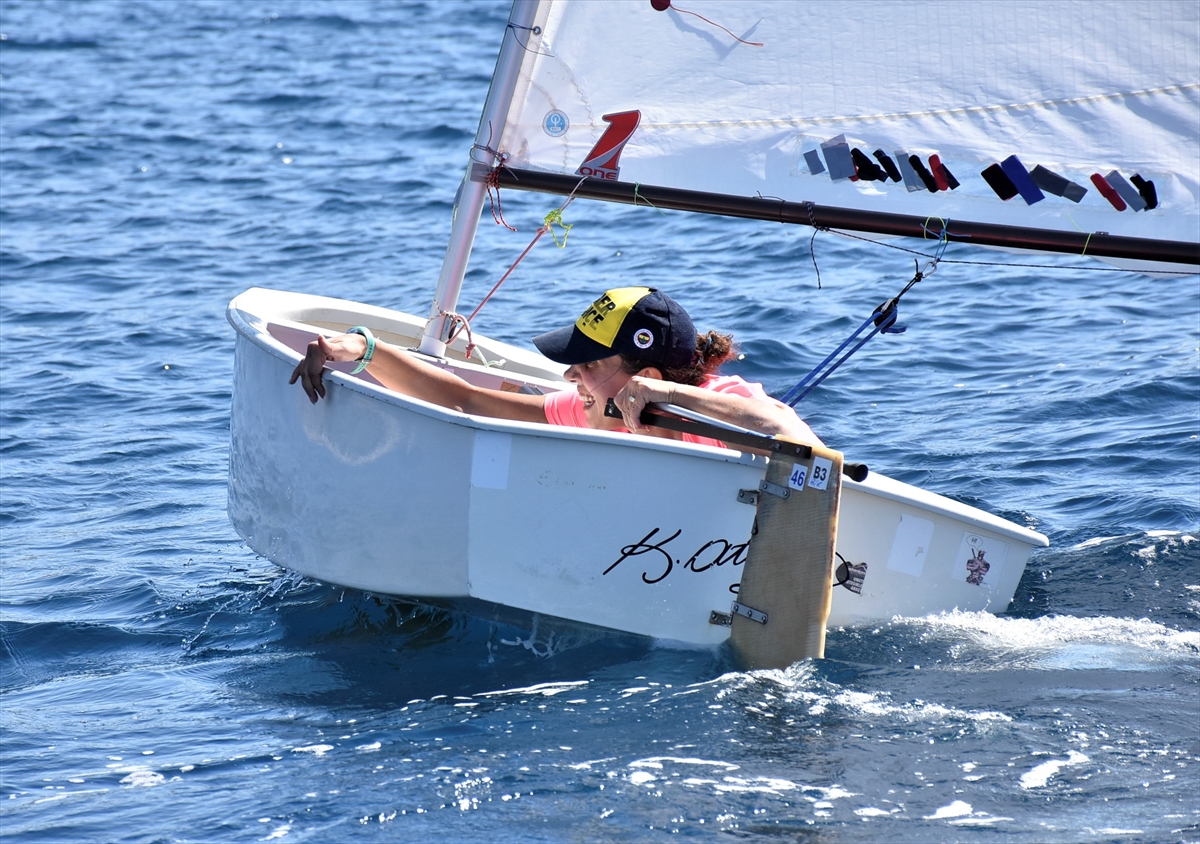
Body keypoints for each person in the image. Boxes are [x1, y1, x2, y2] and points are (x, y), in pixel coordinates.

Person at [290, 286, 821, 448]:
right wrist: (367, 350)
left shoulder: (723, 404)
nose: (571, 377)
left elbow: (799, 443)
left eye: (587, 365)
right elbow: (467, 400)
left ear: (648, 379)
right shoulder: (593, 409)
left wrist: (672, 400)